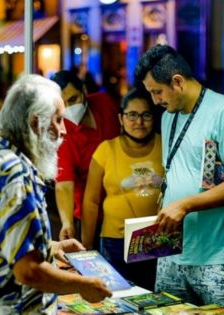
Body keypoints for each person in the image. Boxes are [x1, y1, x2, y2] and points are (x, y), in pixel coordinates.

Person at [0, 74, 111, 314]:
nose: (63, 131)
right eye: (58, 120)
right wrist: (84, 284)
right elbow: (28, 271)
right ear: (35, 123)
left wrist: (52, 246)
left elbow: (0, 239)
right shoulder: (15, 174)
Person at [135, 44, 224, 312]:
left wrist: (185, 205)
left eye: (157, 91)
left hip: (216, 259)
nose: (155, 101)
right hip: (172, 254)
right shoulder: (169, 117)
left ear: (177, 81)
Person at [81, 87, 164, 291]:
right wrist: (87, 245)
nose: (139, 122)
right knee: (117, 298)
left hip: (158, 240)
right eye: (132, 115)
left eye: (146, 115)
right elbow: (91, 201)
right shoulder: (106, 150)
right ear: (121, 118)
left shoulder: (166, 146)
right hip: (115, 242)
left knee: (153, 299)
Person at [50, 70, 121, 242]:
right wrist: (67, 223)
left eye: (73, 100)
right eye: (62, 105)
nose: (68, 108)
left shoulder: (105, 103)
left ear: (84, 90)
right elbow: (64, 186)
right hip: (91, 217)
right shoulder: (62, 135)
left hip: (122, 207)